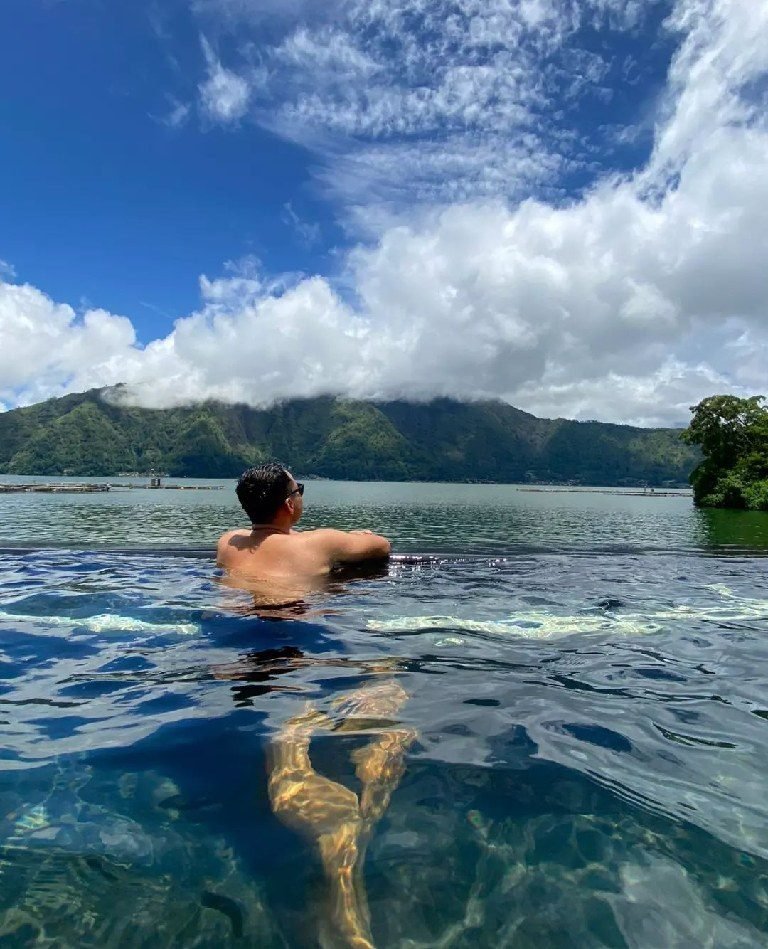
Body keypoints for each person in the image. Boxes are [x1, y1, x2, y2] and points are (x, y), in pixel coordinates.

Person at [217, 462, 391, 603]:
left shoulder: (228, 541)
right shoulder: (320, 542)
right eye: (298, 489)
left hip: (235, 616)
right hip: (291, 620)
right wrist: (350, 538)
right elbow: (382, 545)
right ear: (289, 504)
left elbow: (269, 537)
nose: (301, 493)